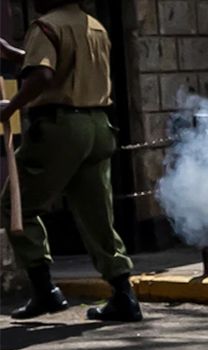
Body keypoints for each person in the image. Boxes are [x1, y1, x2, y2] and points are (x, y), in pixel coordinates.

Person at [0, 0, 141, 323]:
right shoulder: (95, 26)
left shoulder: (45, 26)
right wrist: (15, 55)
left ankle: (45, 290)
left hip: (61, 127)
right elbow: (66, 66)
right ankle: (123, 294)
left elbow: (44, 75)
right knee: (97, 216)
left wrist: (9, 109)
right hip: (98, 125)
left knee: (16, 205)